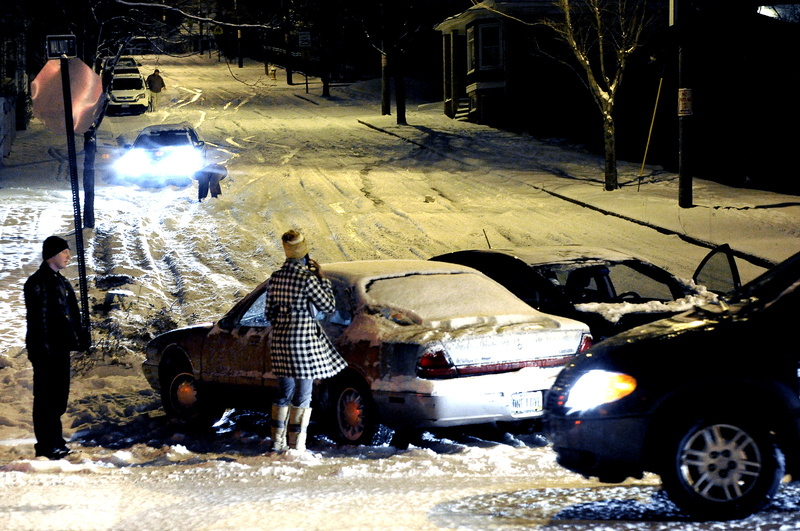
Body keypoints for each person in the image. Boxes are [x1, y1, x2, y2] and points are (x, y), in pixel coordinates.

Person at [265, 230, 347, 452]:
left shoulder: (275, 277)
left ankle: (276, 444)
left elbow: (269, 313)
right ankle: (296, 445)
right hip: (303, 342)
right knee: (303, 395)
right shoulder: (308, 279)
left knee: (284, 393)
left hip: (280, 341)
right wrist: (322, 278)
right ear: (305, 255)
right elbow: (328, 306)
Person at [23, 236, 89, 459]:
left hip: (60, 349)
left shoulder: (62, 282)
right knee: (46, 399)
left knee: (59, 397)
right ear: (51, 255)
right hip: (45, 350)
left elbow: (72, 315)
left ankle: (56, 440)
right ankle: (46, 445)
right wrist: (42, 349)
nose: (68, 256)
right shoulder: (37, 283)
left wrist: (80, 337)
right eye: (64, 252)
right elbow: (38, 320)